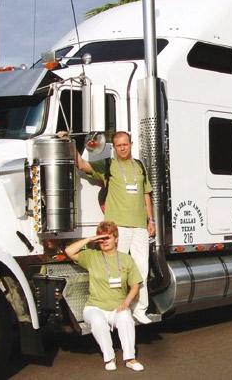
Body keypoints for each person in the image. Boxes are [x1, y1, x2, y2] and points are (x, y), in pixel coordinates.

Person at [71, 131, 156, 324]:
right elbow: (82, 165)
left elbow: (146, 195)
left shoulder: (140, 166)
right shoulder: (109, 165)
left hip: (140, 227)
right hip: (118, 227)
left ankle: (139, 309)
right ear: (115, 147)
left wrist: (150, 221)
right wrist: (69, 142)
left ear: (131, 144)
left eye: (125, 144)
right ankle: (114, 310)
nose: (123, 148)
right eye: (119, 145)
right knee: (117, 269)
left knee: (141, 268)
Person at [65, 221, 145, 372]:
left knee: (126, 318)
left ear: (116, 238)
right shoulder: (91, 256)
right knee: (97, 320)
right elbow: (69, 251)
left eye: (107, 237)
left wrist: (126, 303)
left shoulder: (126, 259)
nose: (104, 241)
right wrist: (90, 239)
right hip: (95, 306)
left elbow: (135, 285)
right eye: (101, 238)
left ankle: (130, 358)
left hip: (117, 307)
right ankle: (109, 358)